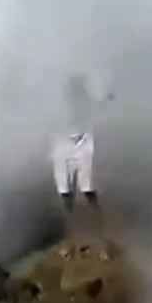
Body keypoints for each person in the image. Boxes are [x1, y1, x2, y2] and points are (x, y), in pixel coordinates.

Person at [50, 73, 114, 215]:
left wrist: (107, 98)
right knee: (67, 183)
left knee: (82, 182)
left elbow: (101, 103)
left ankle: (93, 214)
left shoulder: (86, 102)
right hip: (68, 142)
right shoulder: (68, 104)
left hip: (81, 142)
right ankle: (73, 214)